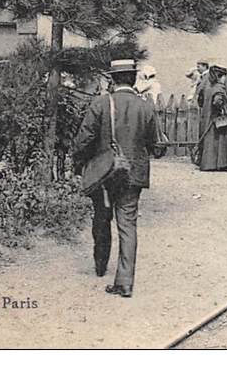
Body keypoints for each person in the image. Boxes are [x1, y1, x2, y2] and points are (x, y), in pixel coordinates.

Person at [73, 59, 164, 297]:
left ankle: (101, 264)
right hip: (133, 173)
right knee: (128, 225)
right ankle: (124, 282)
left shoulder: (101, 103)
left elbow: (84, 140)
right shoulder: (146, 107)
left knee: (101, 218)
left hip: (104, 173)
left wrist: (78, 164)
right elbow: (155, 145)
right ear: (133, 79)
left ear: (113, 79)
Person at [195, 65, 227, 171]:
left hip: (207, 115)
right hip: (215, 117)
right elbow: (217, 101)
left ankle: (208, 163)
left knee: (209, 140)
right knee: (220, 140)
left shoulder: (208, 86)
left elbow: (200, 100)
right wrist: (221, 109)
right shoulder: (219, 87)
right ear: (220, 76)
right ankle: (220, 163)